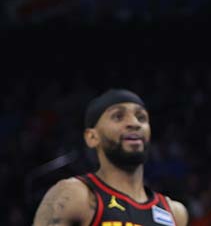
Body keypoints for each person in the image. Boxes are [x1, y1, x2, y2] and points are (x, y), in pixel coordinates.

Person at [31, 90, 189, 226]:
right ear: (92, 137)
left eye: (141, 117)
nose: (134, 123)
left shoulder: (175, 213)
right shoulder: (73, 195)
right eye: (118, 116)